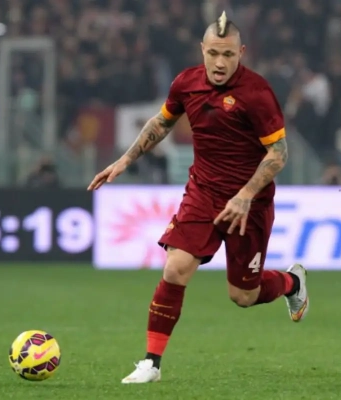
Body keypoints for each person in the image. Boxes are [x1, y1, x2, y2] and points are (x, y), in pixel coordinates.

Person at [88, 11, 309, 384]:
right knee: (175, 268)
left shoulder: (257, 93)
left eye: (228, 54)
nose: (220, 63)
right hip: (202, 193)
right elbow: (162, 122)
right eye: (213, 53)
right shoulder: (186, 83)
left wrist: (245, 194)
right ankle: (151, 364)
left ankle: (292, 283)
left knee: (243, 295)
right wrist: (125, 160)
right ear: (202, 50)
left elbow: (279, 153)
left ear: (241, 52)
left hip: (249, 204)